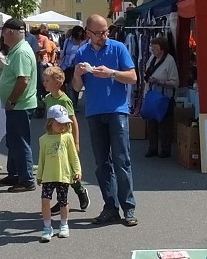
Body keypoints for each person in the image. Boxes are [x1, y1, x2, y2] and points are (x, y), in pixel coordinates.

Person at [72, 14, 139, 226]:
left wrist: (111, 73)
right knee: (102, 164)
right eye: (99, 33)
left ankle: (128, 207)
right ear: (88, 33)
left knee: (121, 160)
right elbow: (76, 87)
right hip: (94, 112)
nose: (104, 36)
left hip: (117, 110)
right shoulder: (82, 52)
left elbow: (133, 77)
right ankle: (110, 207)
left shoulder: (118, 47)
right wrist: (76, 73)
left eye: (105, 31)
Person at [0, 17, 39, 192]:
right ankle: (15, 174)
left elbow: (23, 80)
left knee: (20, 142)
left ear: (9, 33)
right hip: (17, 105)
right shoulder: (18, 50)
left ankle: (26, 179)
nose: (2, 37)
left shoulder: (21, 52)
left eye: (3, 33)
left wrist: (12, 100)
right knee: (14, 141)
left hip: (19, 105)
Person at [42, 65, 89, 213]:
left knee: (68, 172)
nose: (44, 83)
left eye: (47, 80)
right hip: (52, 139)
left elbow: (73, 120)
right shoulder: (48, 98)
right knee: (56, 171)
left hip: (65, 140)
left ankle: (80, 191)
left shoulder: (65, 100)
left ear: (57, 83)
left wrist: (75, 142)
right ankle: (60, 200)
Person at [36, 104, 82, 242]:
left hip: (63, 175)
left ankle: (64, 224)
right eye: (59, 123)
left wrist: (77, 170)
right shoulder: (43, 139)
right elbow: (41, 158)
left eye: (64, 123)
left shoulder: (67, 138)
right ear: (50, 123)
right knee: (45, 201)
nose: (62, 126)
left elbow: (73, 156)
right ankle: (47, 226)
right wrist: (39, 175)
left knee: (63, 202)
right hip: (48, 176)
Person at [143, 35, 179, 158]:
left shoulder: (170, 61)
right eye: (151, 46)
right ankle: (152, 148)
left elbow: (175, 82)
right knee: (151, 123)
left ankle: (165, 149)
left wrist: (159, 81)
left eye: (154, 46)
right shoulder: (152, 59)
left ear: (162, 48)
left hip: (164, 97)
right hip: (152, 96)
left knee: (165, 125)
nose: (152, 48)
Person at [58, 25, 86, 102]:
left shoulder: (84, 42)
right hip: (65, 66)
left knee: (73, 85)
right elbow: (63, 53)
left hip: (76, 67)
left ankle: (73, 103)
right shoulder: (67, 41)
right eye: (78, 32)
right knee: (66, 85)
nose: (79, 34)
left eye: (81, 32)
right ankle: (68, 101)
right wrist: (60, 63)